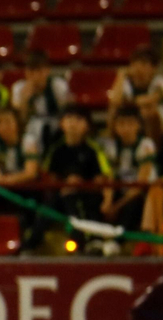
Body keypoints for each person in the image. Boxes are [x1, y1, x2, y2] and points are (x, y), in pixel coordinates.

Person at [37, 105, 111, 245]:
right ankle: (33, 243)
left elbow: (102, 179)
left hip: (88, 196)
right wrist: (64, 185)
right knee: (47, 208)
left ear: (87, 126)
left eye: (78, 119)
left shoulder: (93, 150)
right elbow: (49, 179)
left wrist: (79, 185)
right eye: (68, 118)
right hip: (61, 196)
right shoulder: (56, 150)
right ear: (61, 124)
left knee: (83, 202)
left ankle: (89, 240)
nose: (72, 123)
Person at [99, 102, 156, 229]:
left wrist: (117, 206)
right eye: (121, 124)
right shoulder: (112, 146)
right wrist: (107, 202)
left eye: (130, 124)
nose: (126, 128)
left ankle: (119, 240)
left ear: (138, 125)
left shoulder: (146, 145)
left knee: (132, 206)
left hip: (140, 192)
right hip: (121, 187)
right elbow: (110, 177)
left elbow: (140, 184)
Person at [108, 45, 163, 142]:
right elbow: (114, 101)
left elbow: (150, 99)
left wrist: (129, 102)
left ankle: (150, 149)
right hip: (133, 123)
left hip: (160, 130)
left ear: (154, 68)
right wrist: (120, 75)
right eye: (135, 63)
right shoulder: (126, 83)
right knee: (113, 111)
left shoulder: (159, 82)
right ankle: (115, 147)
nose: (138, 68)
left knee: (148, 111)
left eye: (143, 64)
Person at [11, 49, 71, 153]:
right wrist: (25, 100)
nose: (34, 75)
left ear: (47, 70)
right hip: (30, 128)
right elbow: (20, 121)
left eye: (38, 71)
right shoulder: (19, 88)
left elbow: (66, 112)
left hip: (55, 126)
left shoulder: (58, 85)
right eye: (31, 71)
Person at [0, 106, 39, 188]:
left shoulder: (28, 141)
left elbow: (31, 172)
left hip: (26, 187)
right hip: (0, 187)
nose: (4, 127)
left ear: (17, 123)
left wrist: (10, 180)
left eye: (8, 122)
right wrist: (2, 180)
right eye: (0, 122)